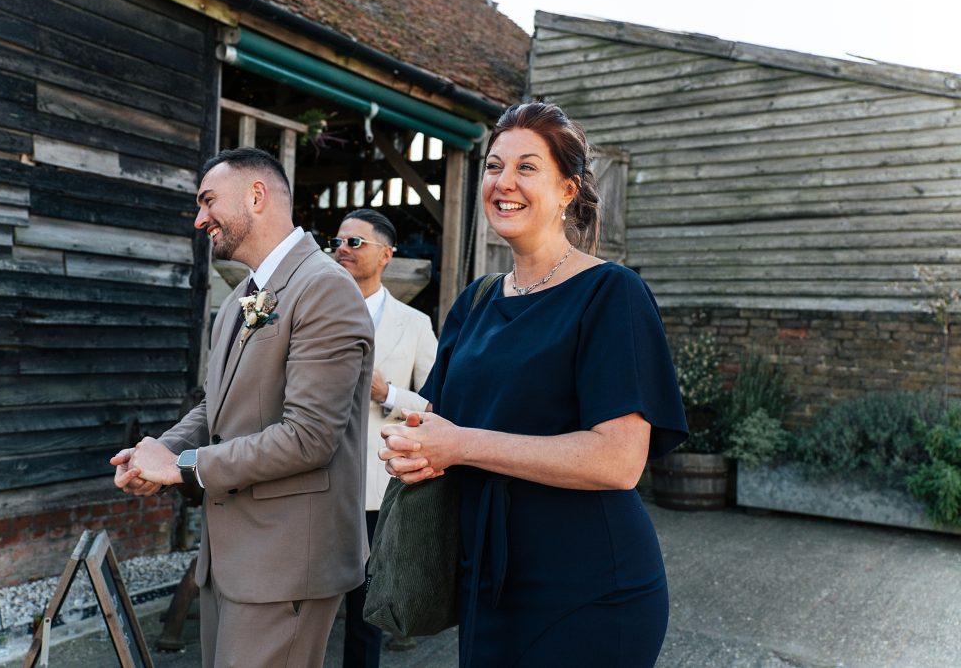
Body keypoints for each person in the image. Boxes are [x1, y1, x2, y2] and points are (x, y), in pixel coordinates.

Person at [379, 103, 688, 667]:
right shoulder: (474, 303)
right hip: (487, 583)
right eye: (494, 167)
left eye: (527, 167)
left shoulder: (610, 294)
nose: (504, 182)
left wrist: (463, 445)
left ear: (568, 190)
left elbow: (618, 462)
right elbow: (441, 425)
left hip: (591, 587)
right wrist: (415, 449)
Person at [111, 147, 374, 668]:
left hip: (285, 563)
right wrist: (160, 451)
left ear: (257, 196)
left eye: (209, 201)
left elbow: (309, 439)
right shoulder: (240, 298)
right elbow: (217, 407)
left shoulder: (325, 289)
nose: (199, 218)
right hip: (231, 558)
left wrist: (183, 468)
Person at [330, 209, 438, 668]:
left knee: (363, 613)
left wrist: (389, 393)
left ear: (387, 255)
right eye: (337, 241)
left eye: (355, 243)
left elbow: (438, 409)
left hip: (375, 489)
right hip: (312, 480)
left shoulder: (414, 324)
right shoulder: (310, 313)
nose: (342, 249)